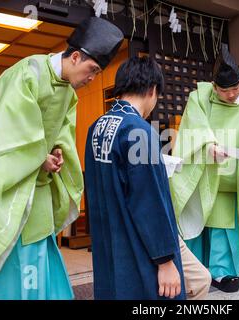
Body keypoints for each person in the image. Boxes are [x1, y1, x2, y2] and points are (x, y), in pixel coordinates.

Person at [0, 17, 124, 299]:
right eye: (92, 70)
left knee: (40, 249)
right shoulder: (28, 73)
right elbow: (6, 133)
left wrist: (58, 154)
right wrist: (39, 157)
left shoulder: (67, 92)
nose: (92, 79)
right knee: (15, 251)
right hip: (13, 184)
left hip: (39, 188)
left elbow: (63, 135)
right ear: (74, 56)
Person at [170, 44, 239, 293]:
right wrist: (209, 148)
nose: (232, 95)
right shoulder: (199, 97)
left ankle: (223, 272)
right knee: (195, 222)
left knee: (223, 225)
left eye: (236, 88)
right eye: (225, 91)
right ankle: (193, 271)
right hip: (203, 173)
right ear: (214, 86)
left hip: (232, 177)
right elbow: (192, 130)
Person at [84, 56, 186, 300]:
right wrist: (165, 261)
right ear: (152, 90)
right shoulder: (138, 130)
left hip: (108, 244)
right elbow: (148, 200)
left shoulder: (96, 127)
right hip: (140, 249)